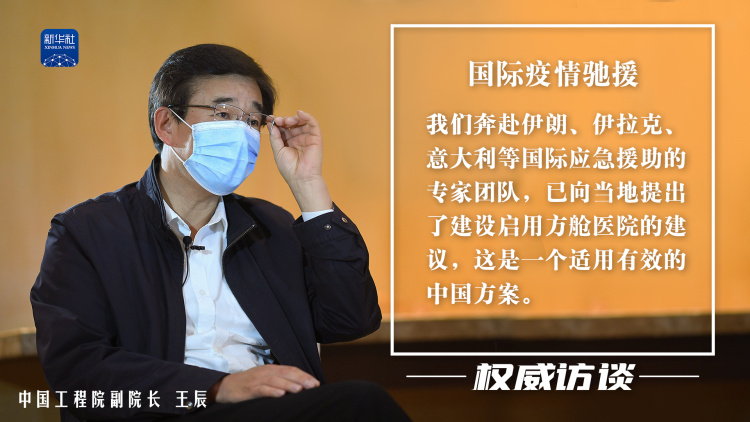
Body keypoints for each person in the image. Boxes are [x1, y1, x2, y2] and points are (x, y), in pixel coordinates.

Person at [31, 44, 410, 422]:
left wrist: (308, 186)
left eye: (252, 121)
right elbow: (77, 369)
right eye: (223, 113)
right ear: (167, 125)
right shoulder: (86, 232)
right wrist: (216, 387)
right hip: (163, 413)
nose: (241, 132)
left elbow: (350, 320)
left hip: (274, 410)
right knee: (363, 405)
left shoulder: (272, 229)